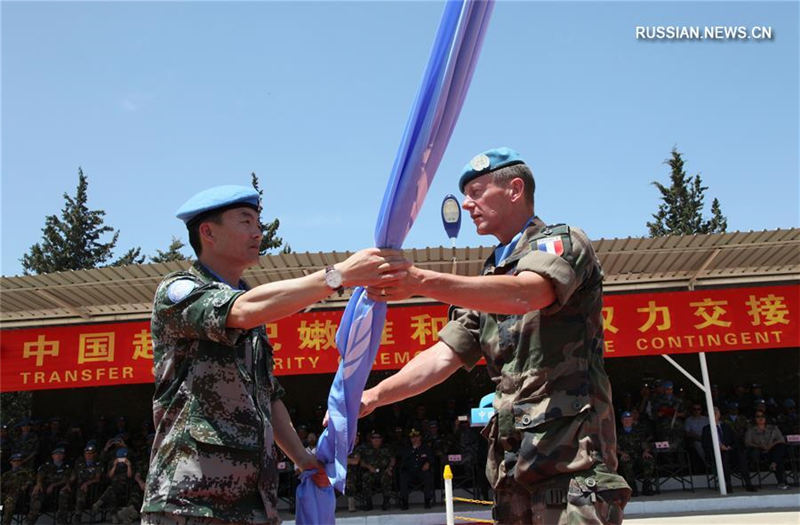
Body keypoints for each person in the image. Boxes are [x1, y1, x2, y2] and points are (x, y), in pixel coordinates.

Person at [361, 147, 630, 524]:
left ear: (515, 189)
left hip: (572, 465)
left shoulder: (563, 242)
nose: (467, 204)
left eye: (476, 191)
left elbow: (527, 293)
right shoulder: (487, 281)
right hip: (513, 470)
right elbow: (443, 356)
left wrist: (420, 280)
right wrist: (372, 397)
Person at [141, 185, 408, 524]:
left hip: (253, 505)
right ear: (208, 232)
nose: (258, 232)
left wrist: (302, 458)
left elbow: (267, 394)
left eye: (258, 223)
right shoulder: (180, 291)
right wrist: (339, 276)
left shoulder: (250, 303)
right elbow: (241, 311)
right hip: (189, 502)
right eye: (245, 222)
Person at [702, 406, 756, 492]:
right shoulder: (706, 429)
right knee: (724, 457)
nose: (714, 415)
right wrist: (719, 446)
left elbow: (734, 440)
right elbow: (705, 444)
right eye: (712, 414)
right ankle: (727, 484)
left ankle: (748, 483)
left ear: (719, 415)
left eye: (716, 413)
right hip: (716, 453)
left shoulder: (726, 427)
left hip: (730, 451)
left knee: (740, 457)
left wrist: (730, 447)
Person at [744, 410, 790, 490]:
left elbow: (781, 439)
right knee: (778, 459)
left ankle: (774, 464)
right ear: (755, 419)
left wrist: (771, 445)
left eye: (762, 416)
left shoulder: (773, 428)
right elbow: (747, 442)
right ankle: (781, 481)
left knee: (780, 447)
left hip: (772, 450)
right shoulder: (751, 430)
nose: (760, 418)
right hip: (760, 451)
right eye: (758, 417)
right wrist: (759, 446)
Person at [397, 428, 435, 510]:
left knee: (428, 476)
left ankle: (427, 500)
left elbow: (432, 458)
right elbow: (403, 459)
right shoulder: (407, 448)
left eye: (417, 437)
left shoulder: (425, 447)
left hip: (421, 471)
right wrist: (413, 450)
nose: (415, 439)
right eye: (413, 438)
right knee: (403, 477)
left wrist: (428, 463)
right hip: (409, 472)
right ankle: (404, 502)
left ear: (420, 437)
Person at [359, 431, 395, 511]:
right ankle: (368, 503)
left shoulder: (386, 448)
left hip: (384, 471)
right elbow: (361, 462)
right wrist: (369, 467)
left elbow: (392, 459)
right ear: (370, 439)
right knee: (365, 477)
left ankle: (386, 502)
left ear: (381, 439)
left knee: (387, 477)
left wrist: (389, 468)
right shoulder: (366, 449)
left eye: (378, 438)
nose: (376, 440)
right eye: (373, 438)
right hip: (371, 471)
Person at [1, 453, 34, 525]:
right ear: (11, 462)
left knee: (9, 503)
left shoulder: (26, 472)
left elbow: (30, 481)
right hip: (5, 495)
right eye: (14, 461)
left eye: (19, 461)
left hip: (18, 495)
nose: (17, 463)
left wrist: (25, 485)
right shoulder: (6, 474)